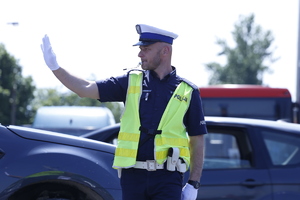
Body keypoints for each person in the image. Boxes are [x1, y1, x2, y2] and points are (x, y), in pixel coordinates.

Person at [41, 24, 207, 200]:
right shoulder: (131, 81)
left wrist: (193, 184)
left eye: (146, 49)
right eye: (140, 49)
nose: (139, 54)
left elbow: (197, 140)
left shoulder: (188, 90)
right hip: (132, 177)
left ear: (165, 51)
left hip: (168, 178)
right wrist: (55, 68)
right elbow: (85, 88)